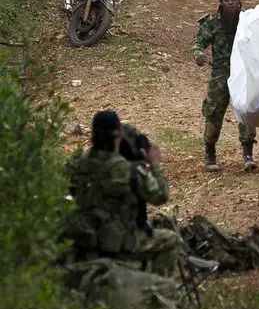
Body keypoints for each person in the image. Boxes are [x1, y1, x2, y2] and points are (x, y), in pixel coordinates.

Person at [65, 111, 181, 276]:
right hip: (119, 244)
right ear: (118, 136)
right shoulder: (128, 170)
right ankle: (157, 287)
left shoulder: (76, 164)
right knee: (170, 239)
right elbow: (161, 196)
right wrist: (155, 164)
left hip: (85, 241)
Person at [192, 0, 257, 172]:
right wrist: (198, 55)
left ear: (239, 1)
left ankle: (248, 154)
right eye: (226, 0)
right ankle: (210, 154)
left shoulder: (247, 21)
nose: (230, 3)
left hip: (242, 73)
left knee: (245, 111)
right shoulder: (212, 22)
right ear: (220, 2)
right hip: (220, 73)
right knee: (214, 112)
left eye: (233, 0)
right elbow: (198, 42)